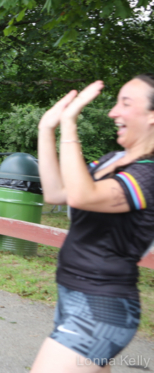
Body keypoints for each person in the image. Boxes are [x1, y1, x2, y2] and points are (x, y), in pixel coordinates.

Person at [32, 74, 154, 372]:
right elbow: (58, 192)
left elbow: (84, 196)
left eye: (125, 104)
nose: (113, 112)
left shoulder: (149, 175)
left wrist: (70, 124)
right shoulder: (113, 159)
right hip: (71, 298)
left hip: (101, 308)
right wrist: (47, 129)